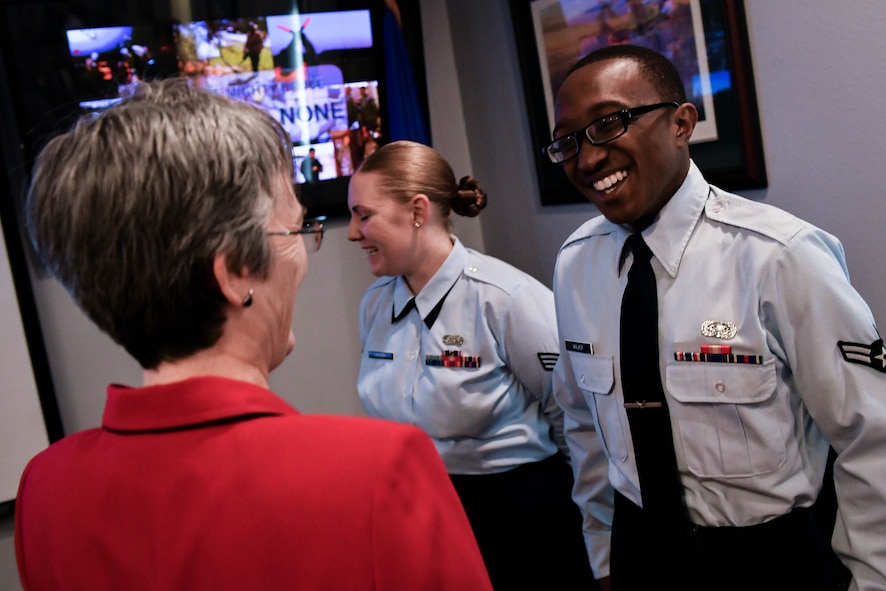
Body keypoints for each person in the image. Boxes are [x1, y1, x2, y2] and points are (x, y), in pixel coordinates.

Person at [15, 79, 493, 591]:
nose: (308, 255)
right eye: (295, 230)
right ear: (236, 273)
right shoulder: (378, 472)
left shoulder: (45, 489)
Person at [548, 44, 885, 591]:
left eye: (608, 123)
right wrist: (605, 554)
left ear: (682, 123)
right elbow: (585, 426)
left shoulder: (778, 255)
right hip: (638, 551)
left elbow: (871, 437)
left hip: (766, 559)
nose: (586, 161)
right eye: (568, 142)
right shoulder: (575, 263)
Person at [346, 140, 597, 590]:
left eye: (364, 215)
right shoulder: (374, 305)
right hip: (423, 510)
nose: (352, 232)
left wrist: (598, 534)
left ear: (418, 210)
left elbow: (575, 420)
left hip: (519, 517)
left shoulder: (506, 300)